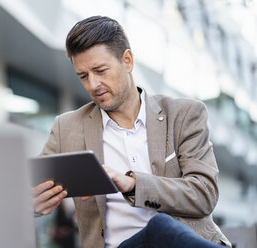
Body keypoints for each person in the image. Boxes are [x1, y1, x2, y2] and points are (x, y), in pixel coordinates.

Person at [32, 16, 231, 247]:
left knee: (161, 227)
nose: (93, 85)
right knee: (158, 226)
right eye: (83, 76)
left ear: (127, 61)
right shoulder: (67, 128)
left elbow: (204, 194)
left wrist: (133, 184)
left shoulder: (184, 114)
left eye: (100, 70)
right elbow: (23, 189)